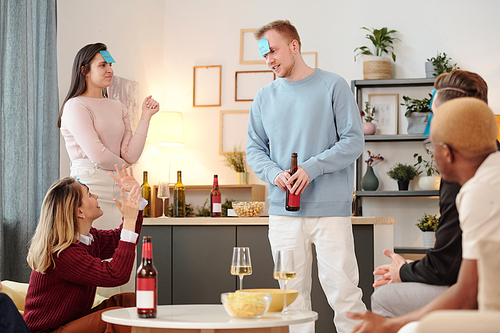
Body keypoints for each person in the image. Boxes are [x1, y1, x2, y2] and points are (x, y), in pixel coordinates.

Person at [246, 20, 366, 333]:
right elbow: (255, 150)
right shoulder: (263, 98)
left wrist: (311, 168)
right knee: (291, 301)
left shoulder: (333, 85)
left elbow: (353, 141)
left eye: (273, 51)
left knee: (345, 296)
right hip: (283, 213)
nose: (269, 60)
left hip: (330, 210)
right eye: (264, 56)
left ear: (295, 46)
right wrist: (274, 175)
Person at [347, 97, 500, 333]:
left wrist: (389, 325)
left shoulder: (480, 191)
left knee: (391, 307)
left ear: (447, 152)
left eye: (432, 146)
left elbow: (467, 295)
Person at [370, 70, 490, 318]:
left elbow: (455, 278)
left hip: (484, 296)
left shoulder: (469, 182)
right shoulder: (491, 163)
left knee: (382, 297)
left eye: (434, 117)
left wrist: (402, 271)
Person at [23, 165, 146, 333]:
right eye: (89, 194)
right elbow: (116, 274)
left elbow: (121, 239)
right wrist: (130, 220)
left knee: (128, 301)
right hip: (49, 331)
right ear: (79, 212)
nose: (96, 196)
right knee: (114, 318)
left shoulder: (87, 238)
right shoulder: (63, 253)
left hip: (72, 322)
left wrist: (136, 200)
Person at [57, 42, 159, 231]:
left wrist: (146, 117)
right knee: (96, 251)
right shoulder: (75, 106)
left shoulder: (118, 106)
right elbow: (100, 156)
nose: (109, 70)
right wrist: (127, 170)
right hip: (90, 190)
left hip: (120, 188)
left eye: (110, 65)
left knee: (125, 249)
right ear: (84, 70)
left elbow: (130, 154)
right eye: (102, 65)